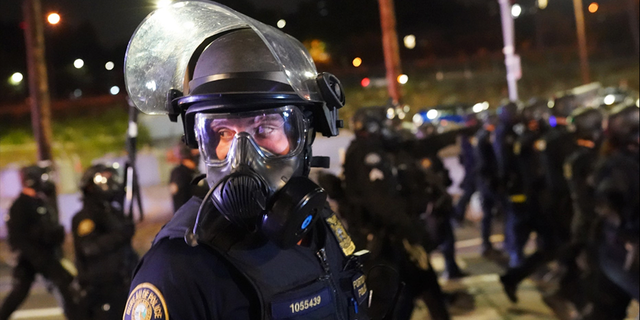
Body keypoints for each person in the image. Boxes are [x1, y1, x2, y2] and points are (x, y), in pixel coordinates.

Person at [122, 2, 371, 319]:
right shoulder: (179, 267)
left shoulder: (317, 222)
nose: (241, 155)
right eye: (223, 132)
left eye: (265, 128)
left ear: (306, 134)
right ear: (199, 140)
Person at [343, 106, 451, 320]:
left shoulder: (373, 149)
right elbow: (382, 203)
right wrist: (413, 232)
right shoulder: (367, 153)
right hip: (381, 240)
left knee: (422, 286)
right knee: (386, 300)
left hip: (392, 236)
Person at [0, 163, 79, 320]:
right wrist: (35, 256)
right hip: (31, 257)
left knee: (64, 285)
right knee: (20, 291)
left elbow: (50, 230)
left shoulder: (41, 202)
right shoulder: (21, 205)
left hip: (45, 255)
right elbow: (18, 237)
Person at [586, 102, 639, 320]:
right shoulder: (618, 165)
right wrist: (629, 236)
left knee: (606, 311)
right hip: (622, 251)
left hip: (618, 250)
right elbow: (608, 201)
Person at [72, 164, 139, 320]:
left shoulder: (113, 212)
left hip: (122, 283)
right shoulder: (85, 217)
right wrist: (119, 235)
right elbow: (90, 248)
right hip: (102, 289)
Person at [169, 142, 209, 212]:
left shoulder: (196, 172)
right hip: (188, 217)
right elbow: (174, 189)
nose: (198, 153)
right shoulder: (179, 172)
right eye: (195, 152)